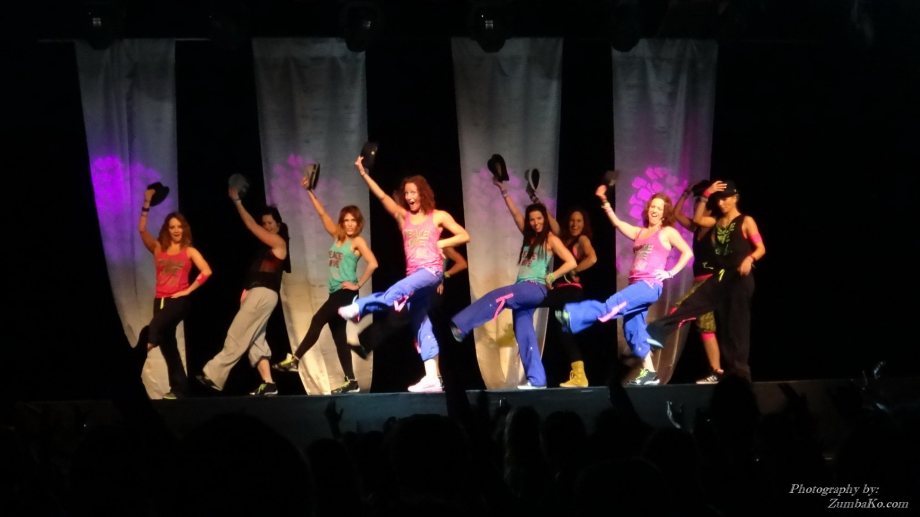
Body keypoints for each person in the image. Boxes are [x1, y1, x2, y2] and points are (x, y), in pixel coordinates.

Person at [337, 155, 470, 393]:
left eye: (413, 192)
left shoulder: (438, 216)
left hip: (431, 272)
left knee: (398, 290)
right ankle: (432, 377)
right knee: (420, 324)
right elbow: (382, 196)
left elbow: (464, 235)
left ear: (422, 194)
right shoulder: (403, 217)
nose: (409, 197)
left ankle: (360, 308)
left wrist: (441, 243)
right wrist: (364, 173)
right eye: (406, 193)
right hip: (414, 277)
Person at [555, 184, 693, 386]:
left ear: (664, 213)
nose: (654, 210)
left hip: (648, 286)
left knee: (613, 304)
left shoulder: (667, 232)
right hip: (637, 286)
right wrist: (605, 202)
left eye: (659, 208)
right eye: (652, 206)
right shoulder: (640, 232)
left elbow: (687, 252)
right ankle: (650, 373)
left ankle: (574, 316)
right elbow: (618, 223)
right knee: (632, 330)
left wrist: (670, 272)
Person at [450, 178, 577, 390]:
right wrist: (504, 192)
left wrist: (552, 276)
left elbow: (571, 261)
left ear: (545, 219)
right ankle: (537, 380)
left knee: (497, 296)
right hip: (523, 288)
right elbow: (516, 214)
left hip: (534, 288)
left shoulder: (550, 239)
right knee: (524, 333)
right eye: (532, 220)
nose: (536, 223)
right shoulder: (529, 238)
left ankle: (461, 326)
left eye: (539, 218)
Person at [645, 180, 765, 381]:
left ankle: (739, 375)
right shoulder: (716, 221)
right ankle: (657, 330)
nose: (721, 203)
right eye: (719, 200)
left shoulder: (746, 221)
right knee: (692, 304)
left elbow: (761, 248)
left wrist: (750, 258)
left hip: (740, 279)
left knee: (734, 328)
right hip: (721, 277)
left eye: (725, 199)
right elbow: (698, 219)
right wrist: (705, 194)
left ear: (735, 198)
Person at [272, 178, 378, 394]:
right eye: (346, 220)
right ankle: (351, 381)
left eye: (353, 220)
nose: (350, 224)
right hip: (335, 293)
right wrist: (310, 192)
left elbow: (374, 263)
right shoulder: (338, 237)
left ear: (358, 223)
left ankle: (295, 359)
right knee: (339, 338)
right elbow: (322, 214)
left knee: (317, 320)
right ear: (342, 222)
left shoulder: (358, 242)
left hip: (345, 294)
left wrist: (357, 283)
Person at [197, 187, 290, 397]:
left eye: (270, 223)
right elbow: (258, 274)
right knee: (256, 340)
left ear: (278, 225)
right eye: (264, 223)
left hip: (263, 295)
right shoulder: (264, 250)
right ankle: (269, 383)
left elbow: (250, 225)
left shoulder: (279, 243)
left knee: (237, 333)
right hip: (260, 294)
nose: (266, 227)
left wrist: (237, 201)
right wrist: (247, 290)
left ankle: (213, 374)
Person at [137, 188, 212, 399]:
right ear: (167, 229)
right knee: (169, 347)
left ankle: (139, 352)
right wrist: (146, 203)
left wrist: (187, 290)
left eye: (179, 226)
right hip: (159, 300)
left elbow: (206, 271)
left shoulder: (189, 250)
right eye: (172, 227)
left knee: (154, 328)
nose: (176, 230)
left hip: (179, 301)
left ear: (184, 229)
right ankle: (179, 389)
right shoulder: (158, 247)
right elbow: (141, 229)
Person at [672, 183, 724, 384]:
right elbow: (676, 214)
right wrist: (686, 193)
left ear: (709, 208)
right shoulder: (696, 229)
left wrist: (705, 194)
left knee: (678, 311)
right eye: (695, 205)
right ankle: (716, 371)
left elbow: (697, 218)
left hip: (709, 283)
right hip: (699, 282)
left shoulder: (714, 222)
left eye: (699, 205)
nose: (696, 209)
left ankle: (649, 354)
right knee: (706, 327)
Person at [543, 206, 598, 387]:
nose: (575, 224)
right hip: (562, 290)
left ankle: (580, 376)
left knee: (537, 299)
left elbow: (592, 258)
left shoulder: (582, 239)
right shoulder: (564, 238)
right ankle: (580, 376)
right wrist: (538, 203)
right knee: (564, 334)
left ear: (584, 224)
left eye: (579, 221)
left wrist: (574, 270)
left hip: (570, 291)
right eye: (572, 221)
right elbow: (553, 223)